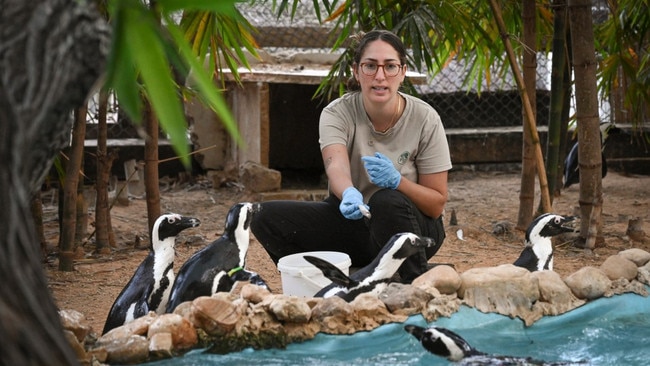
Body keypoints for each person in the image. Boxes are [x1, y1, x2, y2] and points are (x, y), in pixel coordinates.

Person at [251, 29, 452, 283]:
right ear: (357, 71)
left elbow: (436, 204)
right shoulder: (337, 113)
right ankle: (319, 280)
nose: (380, 76)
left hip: (409, 226)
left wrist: (398, 182)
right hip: (354, 222)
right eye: (370, 66)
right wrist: (348, 192)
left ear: (402, 72)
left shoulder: (425, 118)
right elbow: (335, 164)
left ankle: (415, 282)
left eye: (390, 66)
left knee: (386, 201)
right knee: (262, 216)